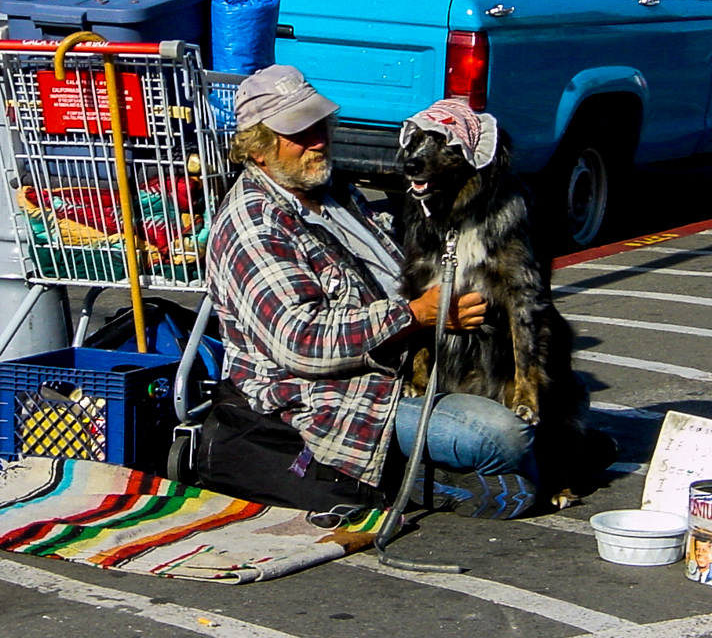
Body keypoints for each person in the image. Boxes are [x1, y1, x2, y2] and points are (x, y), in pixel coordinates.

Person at [201, 64, 540, 520]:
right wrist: (417, 314)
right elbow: (303, 344)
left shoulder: (331, 187)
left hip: (411, 363)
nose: (318, 139)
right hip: (335, 396)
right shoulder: (255, 225)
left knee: (544, 405)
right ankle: (422, 481)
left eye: (320, 123)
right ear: (258, 149)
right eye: (299, 132)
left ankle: (491, 469)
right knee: (502, 435)